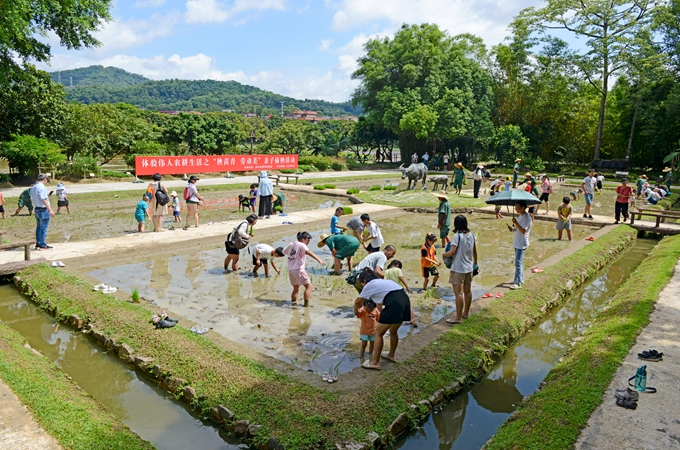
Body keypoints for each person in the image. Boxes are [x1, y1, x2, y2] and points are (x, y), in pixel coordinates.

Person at [355, 268, 412, 370]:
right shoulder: (384, 282)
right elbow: (380, 304)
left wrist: (356, 311)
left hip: (394, 303)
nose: (363, 286)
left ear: (364, 281)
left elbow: (357, 302)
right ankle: (391, 355)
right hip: (405, 300)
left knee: (378, 333)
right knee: (393, 331)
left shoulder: (369, 285)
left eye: (362, 284)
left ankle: (375, 362)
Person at [443, 215, 477, 324]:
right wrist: (475, 263)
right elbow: (474, 252)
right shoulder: (471, 235)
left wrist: (444, 254)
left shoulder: (457, 237)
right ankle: (465, 313)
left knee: (458, 293)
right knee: (468, 291)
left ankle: (458, 317)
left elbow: (452, 252)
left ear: (456, 224)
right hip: (469, 268)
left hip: (458, 268)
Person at [283, 231, 326, 306]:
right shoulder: (302, 245)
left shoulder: (291, 244)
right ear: (302, 239)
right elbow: (308, 252)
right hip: (299, 269)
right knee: (309, 286)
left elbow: (284, 251)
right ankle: (306, 306)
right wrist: (319, 259)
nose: (308, 242)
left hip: (291, 270)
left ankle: (293, 304)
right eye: (307, 240)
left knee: (295, 288)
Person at [507, 201, 532, 290]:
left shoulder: (526, 218)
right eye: (515, 208)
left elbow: (523, 231)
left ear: (523, 207)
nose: (516, 209)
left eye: (517, 208)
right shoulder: (521, 216)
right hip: (517, 242)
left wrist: (516, 222)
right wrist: (513, 229)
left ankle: (517, 283)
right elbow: (518, 229)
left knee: (518, 262)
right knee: (519, 262)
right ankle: (520, 279)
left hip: (521, 243)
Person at [29, 174, 55, 250]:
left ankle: (38, 243)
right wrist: (50, 210)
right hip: (43, 209)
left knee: (39, 227)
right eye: (46, 180)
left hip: (37, 208)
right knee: (44, 228)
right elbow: (43, 199)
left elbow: (32, 199)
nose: (46, 182)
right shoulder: (42, 187)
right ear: (45, 179)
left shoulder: (33, 187)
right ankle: (43, 245)